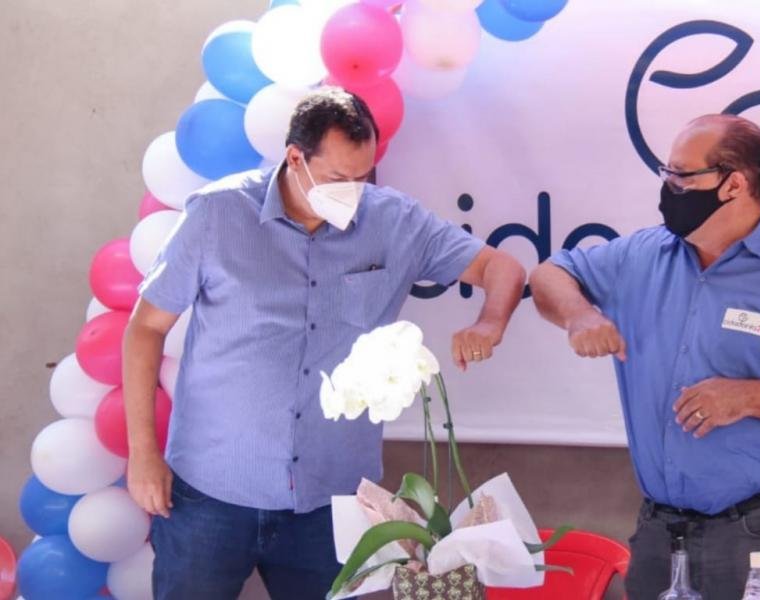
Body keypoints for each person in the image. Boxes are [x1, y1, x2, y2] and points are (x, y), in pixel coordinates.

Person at [123, 87, 526, 600]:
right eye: (338, 179)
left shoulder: (395, 221)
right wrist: (143, 454)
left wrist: (489, 323)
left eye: (364, 177)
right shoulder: (217, 214)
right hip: (210, 495)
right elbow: (146, 328)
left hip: (330, 505)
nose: (353, 192)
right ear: (296, 158)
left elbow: (501, 266)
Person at [529, 114, 760, 599]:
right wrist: (579, 316)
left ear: (734, 184)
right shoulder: (643, 254)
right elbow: (549, 274)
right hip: (662, 532)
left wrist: (745, 398)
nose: (668, 187)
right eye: (667, 173)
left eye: (681, 175)